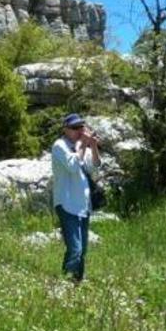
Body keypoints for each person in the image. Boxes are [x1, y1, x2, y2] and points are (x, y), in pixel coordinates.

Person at [51, 113, 101, 283]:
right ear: (65, 130)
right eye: (74, 128)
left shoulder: (82, 148)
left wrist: (93, 146)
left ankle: (76, 282)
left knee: (83, 249)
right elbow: (72, 166)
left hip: (83, 205)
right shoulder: (60, 146)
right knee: (75, 249)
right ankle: (66, 281)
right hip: (66, 203)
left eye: (81, 127)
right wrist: (81, 144)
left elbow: (95, 167)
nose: (79, 131)